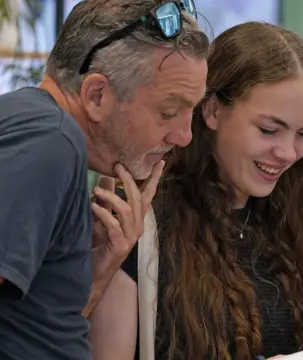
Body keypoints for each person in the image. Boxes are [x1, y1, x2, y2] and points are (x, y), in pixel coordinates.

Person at [88, 21, 303, 360]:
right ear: (212, 110)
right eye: (269, 130)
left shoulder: (300, 215)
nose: (287, 153)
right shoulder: (139, 219)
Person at [0, 0, 209, 358]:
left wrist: (103, 259)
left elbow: (34, 330)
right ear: (97, 95)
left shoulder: (41, 130)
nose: (185, 135)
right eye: (169, 112)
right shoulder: (49, 139)